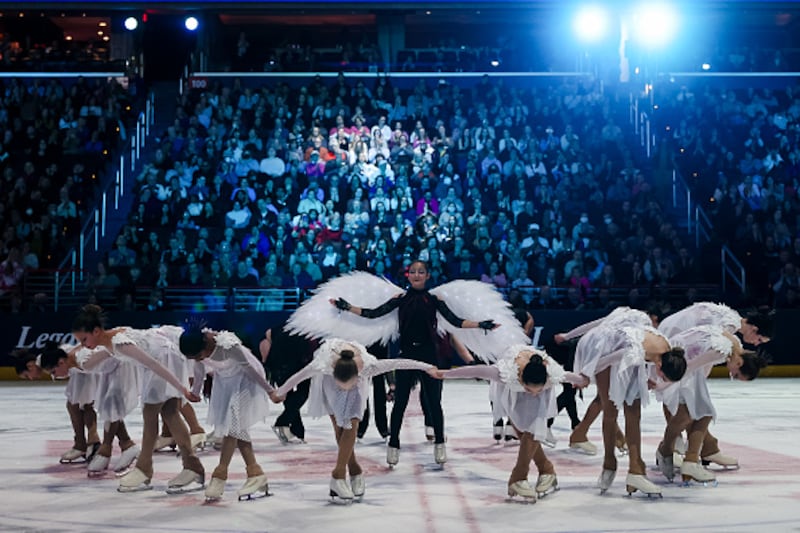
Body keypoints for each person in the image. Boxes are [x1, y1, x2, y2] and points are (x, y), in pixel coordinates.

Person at [328, 260, 502, 467]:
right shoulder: (401, 299)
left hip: (429, 355)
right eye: (413, 272)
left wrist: (481, 324)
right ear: (407, 275)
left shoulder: (434, 299)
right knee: (400, 403)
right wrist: (346, 306)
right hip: (406, 354)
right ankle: (393, 443)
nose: (417, 275)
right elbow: (373, 313)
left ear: (428, 275)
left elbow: (456, 321)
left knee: (434, 402)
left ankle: (439, 443)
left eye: (421, 272)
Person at [272, 338, 439, 502]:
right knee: (340, 427)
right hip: (329, 385)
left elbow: (398, 363)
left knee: (351, 424)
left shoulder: (368, 367)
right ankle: (354, 469)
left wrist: (427, 367)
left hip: (356, 386)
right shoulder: (323, 365)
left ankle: (337, 475)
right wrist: (280, 392)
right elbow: (299, 376)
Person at [71, 305, 204, 493]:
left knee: (151, 413)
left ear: (96, 331)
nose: (84, 345)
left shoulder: (119, 343)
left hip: (163, 360)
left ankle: (144, 469)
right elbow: (90, 362)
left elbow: (152, 363)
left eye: (84, 339)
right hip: (166, 356)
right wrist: (72, 362)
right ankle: (192, 467)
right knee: (170, 412)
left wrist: (182, 388)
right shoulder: (111, 341)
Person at [439, 346, 569, 502]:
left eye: (537, 390)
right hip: (512, 388)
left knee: (534, 429)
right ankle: (546, 469)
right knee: (521, 429)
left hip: (536, 380)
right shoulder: (504, 374)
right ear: (521, 379)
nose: (533, 393)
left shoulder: (551, 374)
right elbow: (477, 371)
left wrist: (585, 379)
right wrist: (443, 373)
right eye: (529, 390)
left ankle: (518, 477)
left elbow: (574, 378)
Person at [571, 324, 686, 497]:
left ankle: (635, 470)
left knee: (634, 410)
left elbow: (644, 360)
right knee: (610, 409)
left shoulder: (666, 351)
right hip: (604, 348)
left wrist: (645, 379)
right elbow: (605, 361)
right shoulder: (636, 352)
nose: (659, 379)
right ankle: (609, 462)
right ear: (660, 365)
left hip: (630, 351)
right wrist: (585, 375)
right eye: (662, 376)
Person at [657, 302, 773, 468]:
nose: (756, 344)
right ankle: (677, 447)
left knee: (693, 402)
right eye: (760, 339)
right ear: (754, 329)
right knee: (685, 397)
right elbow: (704, 344)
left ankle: (702, 447)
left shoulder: (732, 328)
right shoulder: (729, 329)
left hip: (675, 333)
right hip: (674, 336)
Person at [179, 325, 274, 502]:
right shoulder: (198, 350)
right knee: (237, 426)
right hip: (226, 380)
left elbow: (249, 369)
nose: (199, 359)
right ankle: (255, 472)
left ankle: (220, 474)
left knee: (233, 425)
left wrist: (269, 391)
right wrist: (196, 390)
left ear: (206, 345)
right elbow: (199, 368)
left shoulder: (228, 345)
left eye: (199, 355)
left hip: (248, 380)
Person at [555, 307, 656, 456]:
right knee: (608, 400)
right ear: (654, 319)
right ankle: (585, 436)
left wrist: (568, 335)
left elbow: (595, 324)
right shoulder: (645, 325)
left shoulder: (623, 313)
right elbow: (639, 351)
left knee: (604, 397)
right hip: (606, 348)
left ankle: (586, 434)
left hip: (591, 342)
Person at [37, 342, 142, 477]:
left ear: (61, 362)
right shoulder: (74, 364)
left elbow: (111, 353)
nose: (55, 377)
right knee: (107, 407)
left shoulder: (83, 361)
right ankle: (127, 445)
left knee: (109, 407)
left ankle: (109, 450)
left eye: (54, 372)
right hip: (111, 370)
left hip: (122, 367)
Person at [17, 344, 101, 465]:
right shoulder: (45, 360)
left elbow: (69, 359)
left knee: (80, 404)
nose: (30, 379)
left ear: (30, 366)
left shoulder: (45, 360)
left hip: (89, 369)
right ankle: (87, 443)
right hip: (85, 371)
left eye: (26, 375)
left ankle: (88, 443)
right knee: (78, 404)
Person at [259, 319, 317, 444]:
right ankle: (285, 424)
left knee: (291, 396)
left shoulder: (278, 328)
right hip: (297, 364)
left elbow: (266, 338)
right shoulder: (308, 329)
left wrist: (267, 362)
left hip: (280, 365)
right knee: (301, 394)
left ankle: (296, 430)